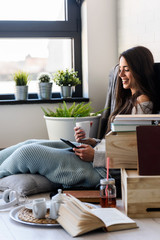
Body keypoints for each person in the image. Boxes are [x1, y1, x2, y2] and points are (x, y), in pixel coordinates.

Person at [0, 46, 156, 191]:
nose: (120, 75)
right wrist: (93, 142)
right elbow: (121, 141)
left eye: (126, 70)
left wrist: (96, 156)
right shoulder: (130, 100)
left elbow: (136, 152)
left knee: (29, 153)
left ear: (140, 71)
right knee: (30, 143)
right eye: (120, 69)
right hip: (99, 155)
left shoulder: (143, 104)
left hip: (103, 171)